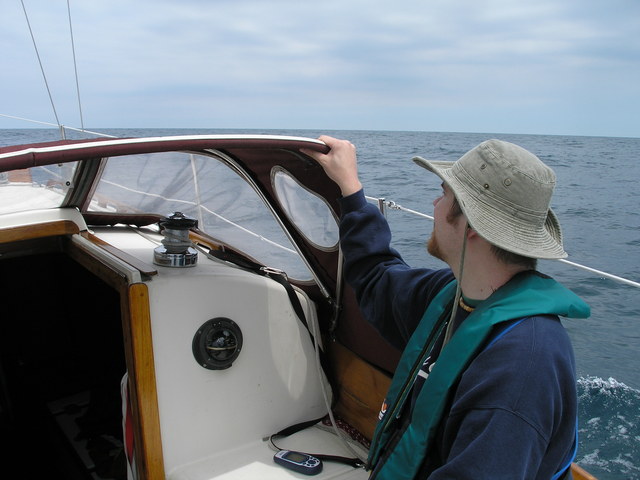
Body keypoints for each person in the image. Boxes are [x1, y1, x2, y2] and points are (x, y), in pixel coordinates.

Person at [302, 137, 590, 480]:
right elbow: (377, 279)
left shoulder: (523, 366)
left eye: (443, 194)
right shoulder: (454, 296)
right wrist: (351, 189)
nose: (434, 203)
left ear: (470, 226)